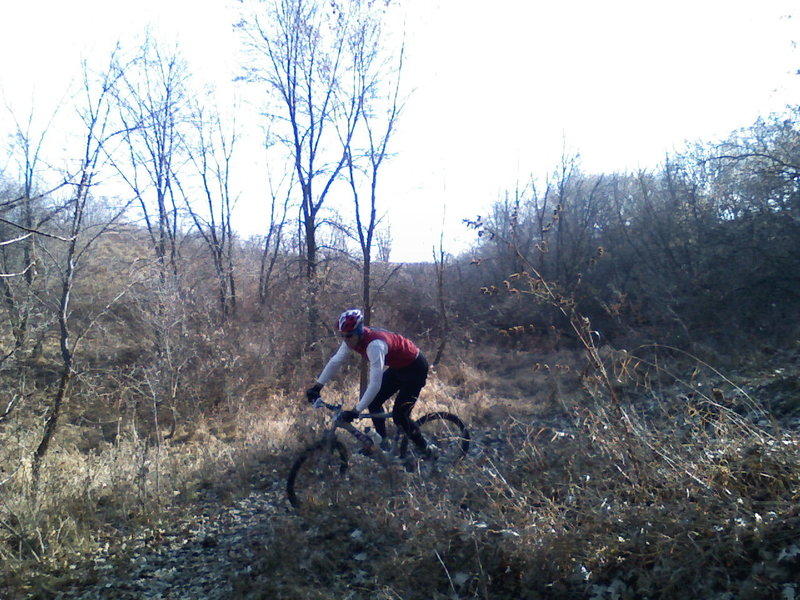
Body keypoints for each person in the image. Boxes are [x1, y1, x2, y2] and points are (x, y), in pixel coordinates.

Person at [306, 308, 434, 457]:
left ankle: (426, 449)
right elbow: (336, 361)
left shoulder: (375, 346)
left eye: (349, 336)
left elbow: (375, 384)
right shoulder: (352, 339)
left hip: (415, 368)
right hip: (398, 367)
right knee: (373, 403)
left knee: (400, 416)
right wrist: (317, 387)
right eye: (343, 336)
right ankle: (383, 443)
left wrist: (356, 411)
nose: (346, 340)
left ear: (359, 332)